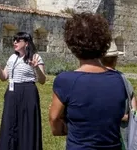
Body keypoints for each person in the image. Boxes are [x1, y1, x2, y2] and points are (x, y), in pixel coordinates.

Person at [49, 12, 127, 150]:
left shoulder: (66, 80)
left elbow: (54, 121)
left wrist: (68, 127)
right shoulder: (119, 80)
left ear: (72, 44)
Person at [0, 31, 46, 150]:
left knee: (27, 123)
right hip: (12, 92)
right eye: (14, 40)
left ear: (27, 43)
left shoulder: (35, 57)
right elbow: (4, 77)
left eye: (18, 40)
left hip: (28, 92)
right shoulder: (12, 57)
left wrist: (36, 68)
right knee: (10, 122)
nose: (14, 42)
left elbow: (43, 80)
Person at [100, 41, 137, 148]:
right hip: (121, 134)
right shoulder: (124, 80)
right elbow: (133, 110)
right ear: (116, 59)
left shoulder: (95, 80)